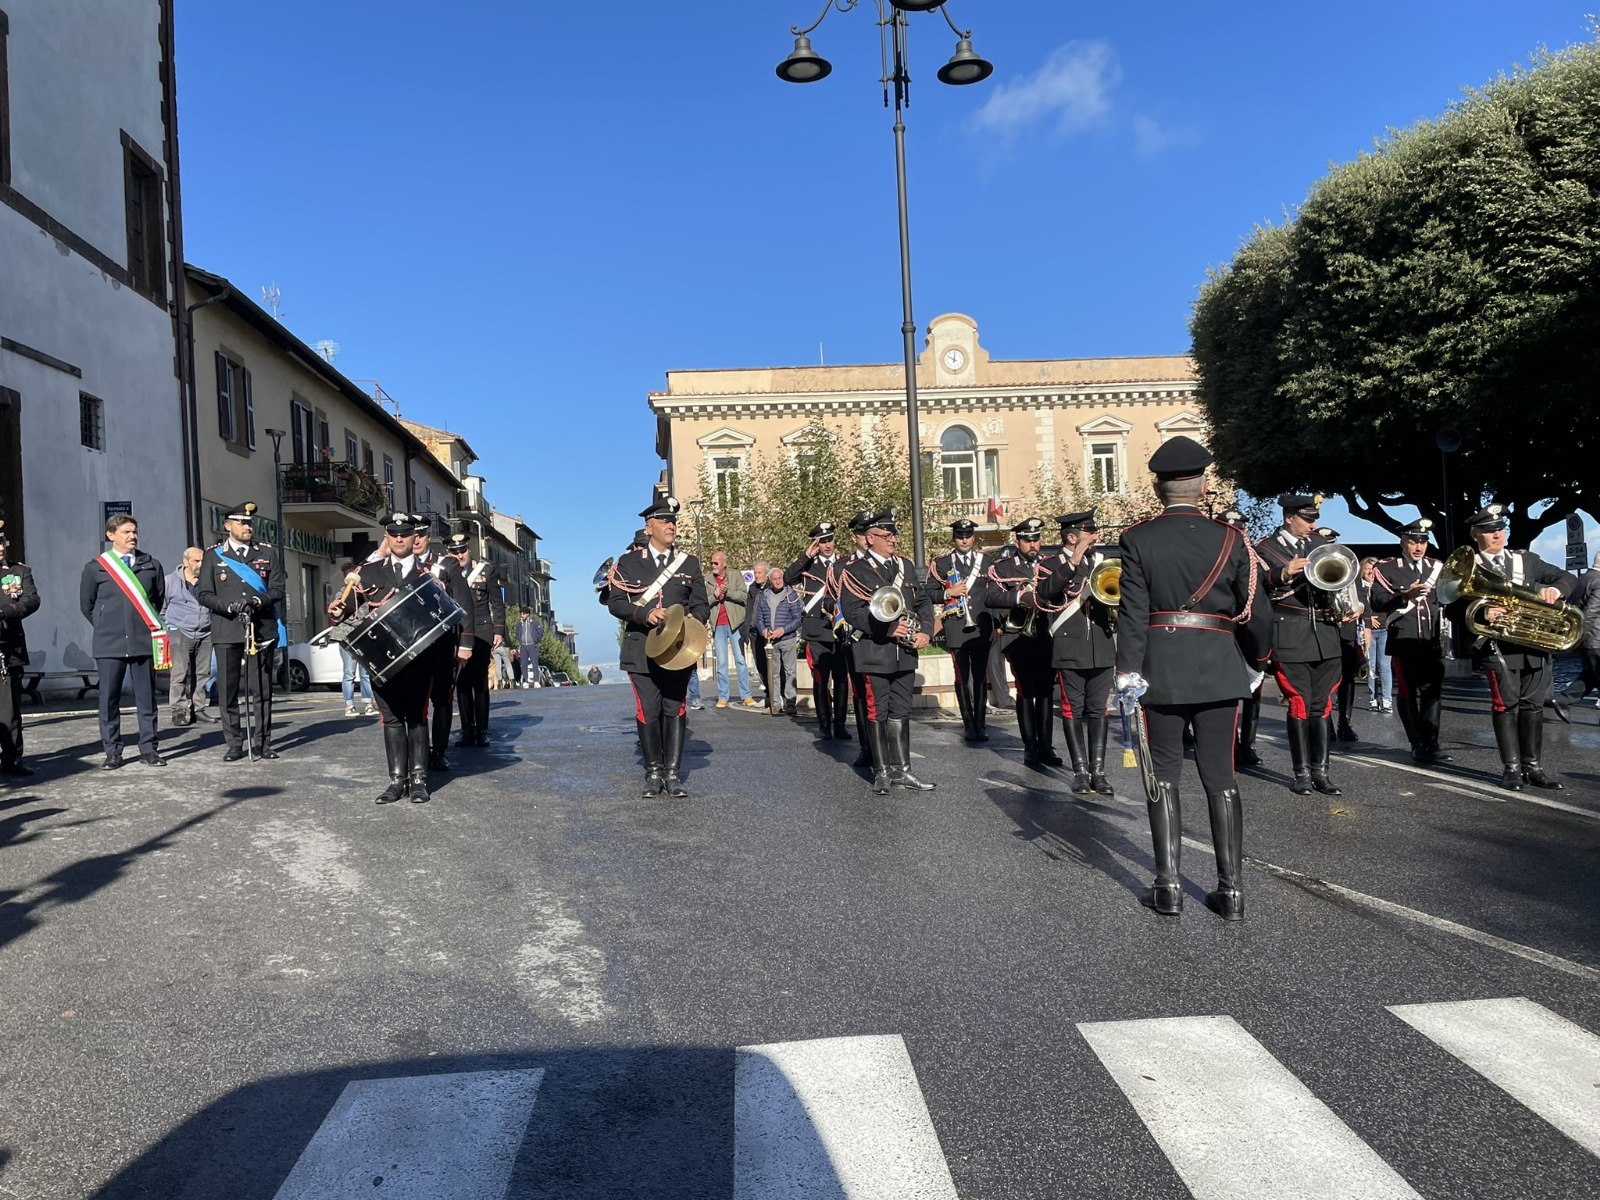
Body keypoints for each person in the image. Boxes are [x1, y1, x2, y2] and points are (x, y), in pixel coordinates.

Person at [1114, 436, 1272, 920]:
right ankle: (1232, 892)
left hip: (1159, 671)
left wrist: (1128, 671)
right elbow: (1258, 614)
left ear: (1160, 488)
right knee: (1220, 775)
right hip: (1218, 667)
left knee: (1162, 774)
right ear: (1203, 487)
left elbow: (1133, 613)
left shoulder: (1138, 538)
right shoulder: (1231, 538)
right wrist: (1256, 662)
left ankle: (1167, 887)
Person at [1446, 504, 1576, 790]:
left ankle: (1534, 767)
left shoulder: (1526, 560)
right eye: (1490, 531)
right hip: (1497, 647)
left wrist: (1556, 590)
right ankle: (1512, 769)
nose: (1497, 535)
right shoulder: (1469, 566)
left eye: (1500, 529)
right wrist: (1482, 614)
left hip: (1533, 646)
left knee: (1533, 706)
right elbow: (1449, 608)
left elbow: (1568, 578)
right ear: (1475, 534)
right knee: (1506, 706)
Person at [329, 515, 438, 803]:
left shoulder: (428, 575)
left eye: (405, 534)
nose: (400, 539)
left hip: (418, 657)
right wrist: (338, 611)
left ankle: (418, 781)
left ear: (416, 538)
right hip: (382, 658)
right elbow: (349, 607)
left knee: (416, 717)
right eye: (394, 534)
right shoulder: (370, 572)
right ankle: (395, 782)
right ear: (386, 538)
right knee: (390, 719)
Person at [607, 493, 709, 797]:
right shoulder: (628, 563)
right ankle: (653, 772)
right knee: (648, 710)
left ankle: (672, 774)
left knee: (674, 707)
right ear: (649, 527)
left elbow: (702, 604)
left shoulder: (689, 563)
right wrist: (645, 613)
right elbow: (615, 603)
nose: (671, 526)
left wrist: (689, 620)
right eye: (664, 521)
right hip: (641, 648)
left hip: (678, 649)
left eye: (673, 521)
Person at [837, 510, 936, 795]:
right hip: (874, 651)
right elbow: (853, 612)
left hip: (904, 652)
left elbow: (924, 601)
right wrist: (887, 630)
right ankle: (881, 771)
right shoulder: (854, 571)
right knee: (877, 710)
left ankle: (903, 769)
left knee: (902, 710)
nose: (893, 540)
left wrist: (926, 630)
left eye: (894, 535)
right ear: (870, 539)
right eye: (886, 535)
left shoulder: (904, 565)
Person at [1254, 494, 1344, 796]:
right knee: (1300, 703)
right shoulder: (1264, 549)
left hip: (1326, 635)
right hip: (1290, 633)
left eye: (1314, 517)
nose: (1313, 524)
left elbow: (1344, 579)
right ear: (1289, 516)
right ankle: (1302, 773)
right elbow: (1253, 588)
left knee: (1323, 705)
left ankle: (1322, 773)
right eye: (1307, 518)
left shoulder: (1321, 545)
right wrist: (1282, 572)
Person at [198, 501, 287, 762]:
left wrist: (259, 601)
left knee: (261, 690)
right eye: (241, 522)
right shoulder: (214, 556)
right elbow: (203, 594)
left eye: (250, 523)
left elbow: (278, 589)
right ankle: (235, 743)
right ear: (228, 526)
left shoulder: (268, 553)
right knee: (227, 691)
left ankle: (262, 743)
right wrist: (226, 606)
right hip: (227, 628)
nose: (248, 527)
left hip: (261, 628)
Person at [1036, 510, 1117, 794]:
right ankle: (1080, 771)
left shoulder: (1102, 563)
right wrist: (1071, 563)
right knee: (1073, 709)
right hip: (1069, 646)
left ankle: (1099, 771)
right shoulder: (1050, 564)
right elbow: (1045, 592)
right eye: (1088, 533)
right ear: (1072, 537)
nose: (1095, 536)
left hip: (1103, 645)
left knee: (1099, 709)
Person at [80, 513, 167, 769]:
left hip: (142, 641)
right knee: (109, 699)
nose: (132, 536)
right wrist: (107, 625)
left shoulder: (151, 564)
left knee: (147, 699)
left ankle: (149, 749)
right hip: (109, 643)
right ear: (111, 535)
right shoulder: (95, 567)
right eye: (126, 532)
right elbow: (87, 606)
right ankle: (113, 751)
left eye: (134, 531)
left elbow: (157, 601)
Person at [1368, 519, 1450, 763]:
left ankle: (1432, 742)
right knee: (1408, 690)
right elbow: (1377, 600)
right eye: (1414, 541)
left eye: (1423, 541)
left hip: (1432, 637)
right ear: (1402, 540)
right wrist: (1404, 595)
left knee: (1433, 691)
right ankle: (1416, 743)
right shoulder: (1387, 568)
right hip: (1404, 637)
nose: (1418, 546)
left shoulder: (1437, 567)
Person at [985, 518, 1062, 767]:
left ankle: (1046, 745)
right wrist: (1019, 595)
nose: (1033, 544)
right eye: (1028, 540)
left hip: (1046, 634)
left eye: (1036, 539)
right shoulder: (1004, 567)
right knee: (1026, 690)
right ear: (1017, 541)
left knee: (1047, 691)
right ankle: (1030, 746)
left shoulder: (1050, 565)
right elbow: (991, 597)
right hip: (1019, 637)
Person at [928, 518, 991, 743]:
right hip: (957, 627)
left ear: (973, 538)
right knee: (962, 676)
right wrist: (948, 593)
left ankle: (981, 723)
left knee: (981, 675)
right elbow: (928, 593)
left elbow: (994, 593)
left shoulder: (986, 562)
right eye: (960, 536)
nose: (964, 540)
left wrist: (998, 625)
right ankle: (968, 723)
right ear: (954, 538)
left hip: (981, 628)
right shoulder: (943, 563)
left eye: (968, 536)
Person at [785, 523, 848, 738]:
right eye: (822, 541)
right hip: (817, 629)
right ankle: (824, 724)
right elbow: (788, 578)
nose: (827, 545)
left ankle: (840, 724)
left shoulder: (844, 563)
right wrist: (805, 556)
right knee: (821, 679)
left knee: (841, 679)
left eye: (829, 540)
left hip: (840, 629)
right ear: (816, 544)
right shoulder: (809, 566)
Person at [444, 532, 505, 748]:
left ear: (469, 550)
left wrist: (499, 630)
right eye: (455, 551)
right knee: (461, 684)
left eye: (462, 550)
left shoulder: (485, 570)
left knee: (479, 683)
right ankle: (467, 730)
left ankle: (482, 731)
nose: (459, 555)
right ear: (448, 553)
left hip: (480, 630)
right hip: (456, 630)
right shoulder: (444, 572)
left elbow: (497, 602)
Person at [1317, 528, 1366, 743]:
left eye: (1333, 542)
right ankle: (1325, 722)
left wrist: (1359, 607)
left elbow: (1361, 594)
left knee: (1347, 678)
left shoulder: (1347, 565)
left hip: (1346, 629)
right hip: (1323, 628)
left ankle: (1345, 722)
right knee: (1326, 679)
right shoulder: (1313, 565)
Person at [0, 521, 41, 776]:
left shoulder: (18, 571)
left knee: (9, 709)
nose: (0, 548)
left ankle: (12, 758)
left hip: (8, 647)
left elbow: (31, 599)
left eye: (2, 542)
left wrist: (9, 611)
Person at [160, 547, 216, 727]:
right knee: (180, 673)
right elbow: (161, 609)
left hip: (205, 632)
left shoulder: (208, 581)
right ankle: (178, 710)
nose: (200, 565)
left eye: (202, 561)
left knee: (202, 673)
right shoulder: (169, 581)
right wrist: (170, 627)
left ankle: (198, 709)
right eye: (196, 561)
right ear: (185, 562)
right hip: (180, 631)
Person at [704, 549, 755, 708]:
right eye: (712, 562)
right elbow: (704, 602)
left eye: (716, 563)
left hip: (735, 623)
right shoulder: (708, 580)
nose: (713, 565)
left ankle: (746, 695)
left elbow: (743, 596)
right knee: (722, 663)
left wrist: (727, 592)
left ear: (724, 563)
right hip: (718, 624)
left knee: (740, 660)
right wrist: (715, 594)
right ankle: (723, 696)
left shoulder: (735, 575)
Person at [755, 566, 803, 714]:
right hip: (770, 642)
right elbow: (759, 617)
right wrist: (763, 630)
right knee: (773, 673)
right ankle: (775, 704)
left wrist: (784, 629)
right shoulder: (765, 596)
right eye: (774, 579)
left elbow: (798, 619)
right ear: (770, 580)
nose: (777, 581)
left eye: (780, 578)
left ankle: (790, 702)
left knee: (790, 672)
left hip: (787, 639)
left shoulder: (791, 595)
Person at [1559, 551, 1600, 705]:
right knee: (1591, 675)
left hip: (1585, 639)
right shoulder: (1599, 581)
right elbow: (1590, 613)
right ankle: (1562, 700)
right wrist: (1581, 633)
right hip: (1596, 638)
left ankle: (1561, 700)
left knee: (1589, 676)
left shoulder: (1582, 579)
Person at [1358, 557, 1394, 713]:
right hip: (1368, 630)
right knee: (1371, 666)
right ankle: (1373, 699)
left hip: (1385, 629)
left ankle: (1387, 701)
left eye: (1373, 569)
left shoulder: (1385, 587)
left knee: (1384, 666)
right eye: (1367, 568)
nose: (1370, 572)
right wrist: (1367, 617)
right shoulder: (1360, 588)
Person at [515, 609, 544, 689]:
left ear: (527, 614)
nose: (522, 616)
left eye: (523, 614)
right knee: (523, 665)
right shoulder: (519, 624)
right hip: (523, 646)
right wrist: (520, 640)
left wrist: (536, 640)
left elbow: (540, 632)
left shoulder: (534, 623)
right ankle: (525, 681)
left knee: (535, 664)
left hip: (532, 646)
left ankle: (536, 681)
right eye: (521, 614)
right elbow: (517, 633)